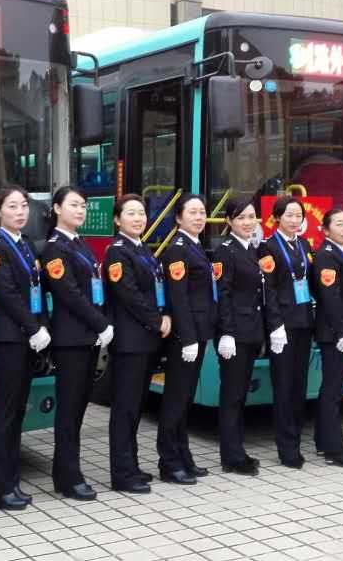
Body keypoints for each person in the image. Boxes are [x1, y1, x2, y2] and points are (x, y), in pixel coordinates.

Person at [41, 185, 113, 501]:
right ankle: (70, 478)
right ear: (57, 209)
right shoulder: (54, 248)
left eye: (83, 205)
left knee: (79, 409)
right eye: (74, 205)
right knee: (69, 411)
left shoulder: (79, 243)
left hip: (87, 337)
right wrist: (101, 323)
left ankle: (65, 473)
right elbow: (68, 293)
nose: (80, 210)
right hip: (71, 340)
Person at [0, 186, 48, 511]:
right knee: (5, 413)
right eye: (12, 206)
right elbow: (7, 293)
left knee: (18, 411)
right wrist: (34, 328)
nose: (20, 212)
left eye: (23, 206)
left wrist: (42, 326)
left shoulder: (25, 244)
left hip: (27, 339)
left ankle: (12, 482)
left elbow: (36, 289)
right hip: (8, 339)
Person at [104, 194, 171, 493]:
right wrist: (158, 320)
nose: (138, 218)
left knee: (135, 407)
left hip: (146, 340)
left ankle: (131, 465)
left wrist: (164, 315)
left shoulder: (143, 248)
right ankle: (122, 474)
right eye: (130, 213)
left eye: (141, 213)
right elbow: (128, 294)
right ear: (117, 219)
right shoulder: (117, 252)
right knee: (124, 409)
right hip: (130, 341)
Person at [156, 194, 215, 484]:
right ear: (178, 218)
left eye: (202, 212)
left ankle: (183, 456)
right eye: (192, 212)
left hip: (198, 333)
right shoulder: (178, 249)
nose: (199, 217)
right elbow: (178, 297)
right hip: (185, 337)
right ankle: (169, 462)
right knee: (175, 399)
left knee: (186, 398)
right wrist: (188, 337)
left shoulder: (195, 246)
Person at [260, 195, 315, 469]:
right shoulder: (267, 247)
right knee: (283, 387)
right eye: (289, 215)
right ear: (277, 218)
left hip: (304, 323)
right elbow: (267, 290)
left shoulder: (304, 245)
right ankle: (287, 448)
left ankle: (296, 439)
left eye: (298, 216)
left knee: (299, 386)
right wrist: (275, 325)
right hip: (282, 327)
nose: (294, 220)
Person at [213, 197, 266, 476]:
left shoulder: (251, 249)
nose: (247, 222)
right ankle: (231, 457)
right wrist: (226, 333)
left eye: (251, 217)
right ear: (229, 221)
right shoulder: (225, 251)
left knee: (240, 395)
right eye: (241, 217)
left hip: (250, 333)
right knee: (232, 396)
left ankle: (237, 450)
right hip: (234, 336)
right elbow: (222, 295)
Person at [310, 209, 343, 468]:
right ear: (326, 230)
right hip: (335, 333)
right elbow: (329, 297)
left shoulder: (340, 253)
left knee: (332, 388)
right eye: (339, 224)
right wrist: (342, 331)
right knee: (332, 391)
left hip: (340, 331)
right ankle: (335, 449)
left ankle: (323, 440)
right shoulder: (326, 256)